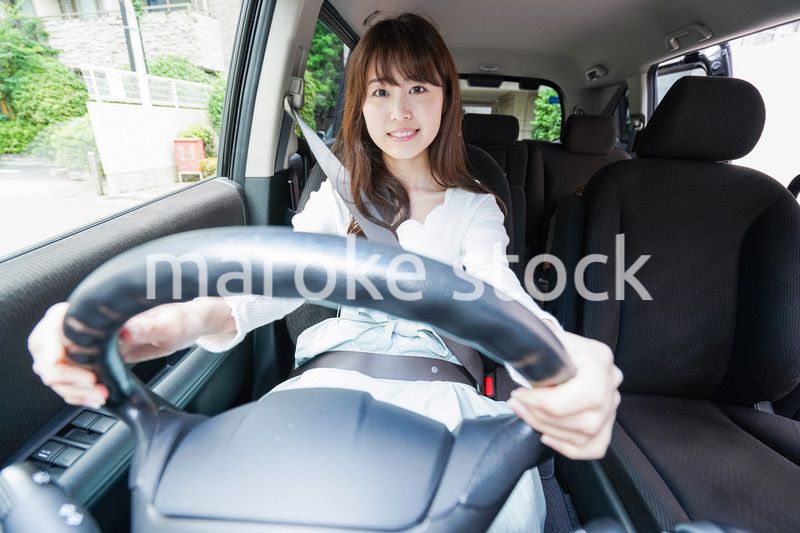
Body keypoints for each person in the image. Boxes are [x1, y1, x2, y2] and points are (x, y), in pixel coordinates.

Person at [28, 13, 622, 533]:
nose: (400, 112)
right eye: (381, 91)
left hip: (444, 393)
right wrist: (173, 323)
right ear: (359, 103)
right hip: (323, 386)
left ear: (447, 99)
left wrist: (562, 353)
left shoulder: (474, 205)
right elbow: (270, 284)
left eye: (418, 88)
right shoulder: (338, 197)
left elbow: (503, 291)